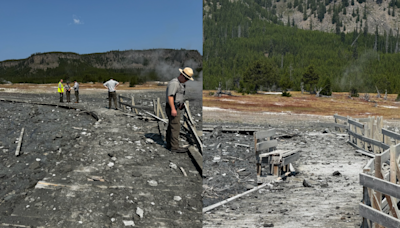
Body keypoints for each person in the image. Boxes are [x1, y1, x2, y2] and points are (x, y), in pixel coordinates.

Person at [165, 67, 194, 153]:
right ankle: (175, 147)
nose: (186, 80)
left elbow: (177, 96)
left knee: (172, 125)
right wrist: (173, 109)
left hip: (176, 106)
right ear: (181, 75)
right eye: (185, 78)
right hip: (172, 106)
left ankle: (169, 144)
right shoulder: (174, 83)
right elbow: (170, 96)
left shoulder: (180, 83)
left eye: (187, 79)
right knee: (175, 126)